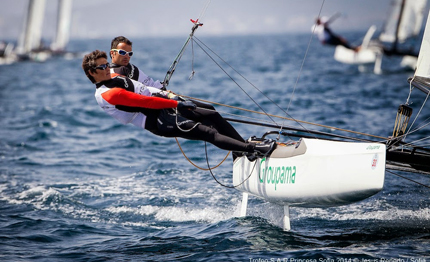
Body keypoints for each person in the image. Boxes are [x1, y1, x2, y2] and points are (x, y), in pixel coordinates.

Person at [82, 50, 276, 159]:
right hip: (156, 119)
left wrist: (166, 92)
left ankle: (240, 148)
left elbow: (145, 84)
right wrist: (177, 105)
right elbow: (145, 102)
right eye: (101, 67)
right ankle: (254, 150)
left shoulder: (114, 74)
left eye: (106, 64)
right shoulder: (108, 94)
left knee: (210, 113)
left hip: (165, 103)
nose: (106, 68)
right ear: (92, 73)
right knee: (208, 133)